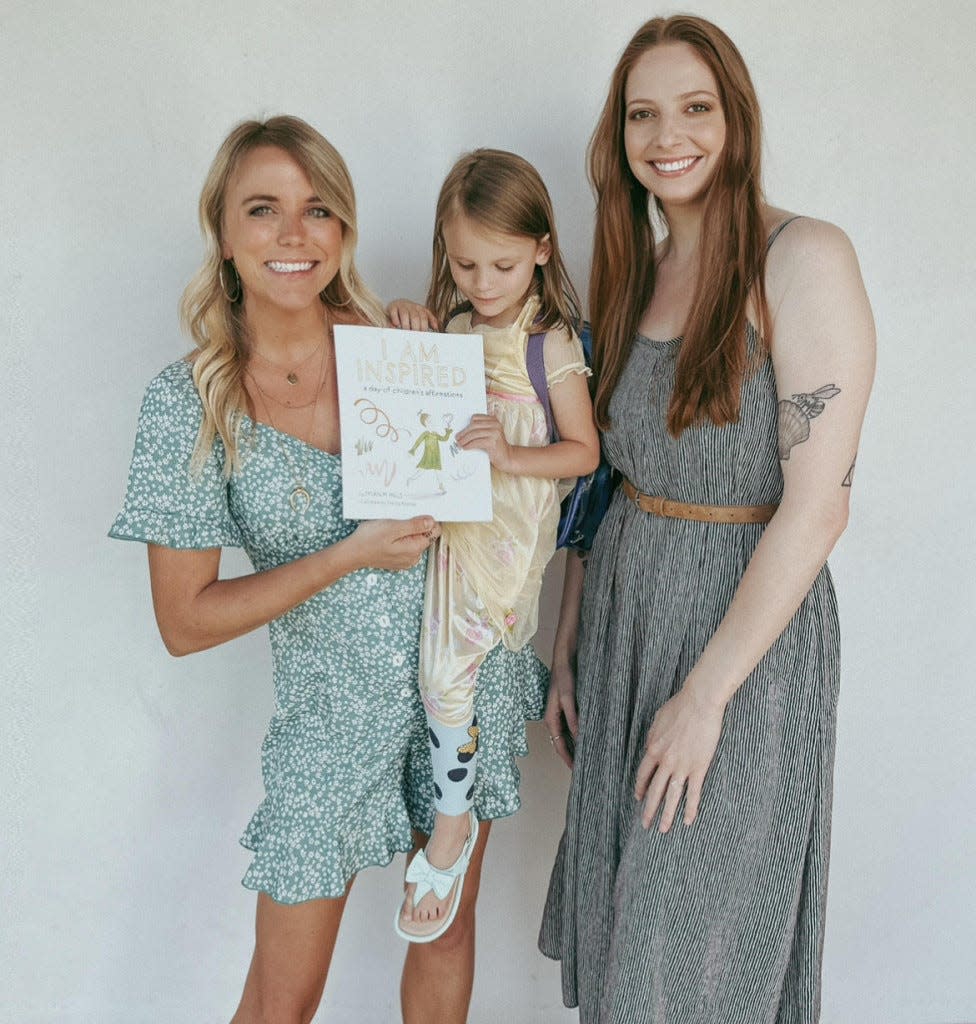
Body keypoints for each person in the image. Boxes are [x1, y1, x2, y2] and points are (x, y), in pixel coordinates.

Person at [109, 116, 549, 1024]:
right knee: (282, 999)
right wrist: (346, 555)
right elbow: (185, 622)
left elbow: (515, 470)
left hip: (460, 685)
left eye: (318, 211)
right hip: (329, 718)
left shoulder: (406, 354)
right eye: (262, 210)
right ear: (224, 234)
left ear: (343, 230)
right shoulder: (186, 404)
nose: (293, 235)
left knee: (448, 933)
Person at [538, 16, 875, 1023]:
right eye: (642, 113)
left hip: (742, 655)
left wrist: (704, 697)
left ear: (735, 120)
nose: (665, 135)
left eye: (693, 107)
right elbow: (603, 488)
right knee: (622, 948)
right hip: (625, 625)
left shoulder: (802, 256)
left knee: (693, 960)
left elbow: (818, 509)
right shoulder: (631, 270)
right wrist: (567, 651)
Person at [388, 149, 600, 941]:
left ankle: (452, 823)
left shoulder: (549, 345)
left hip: (508, 540)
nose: (482, 282)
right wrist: (410, 323)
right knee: (435, 674)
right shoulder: (451, 331)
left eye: (503, 264)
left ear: (543, 248)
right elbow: (409, 415)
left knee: (449, 674)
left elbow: (584, 452)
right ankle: (453, 806)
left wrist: (510, 454)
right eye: (465, 262)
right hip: (449, 529)